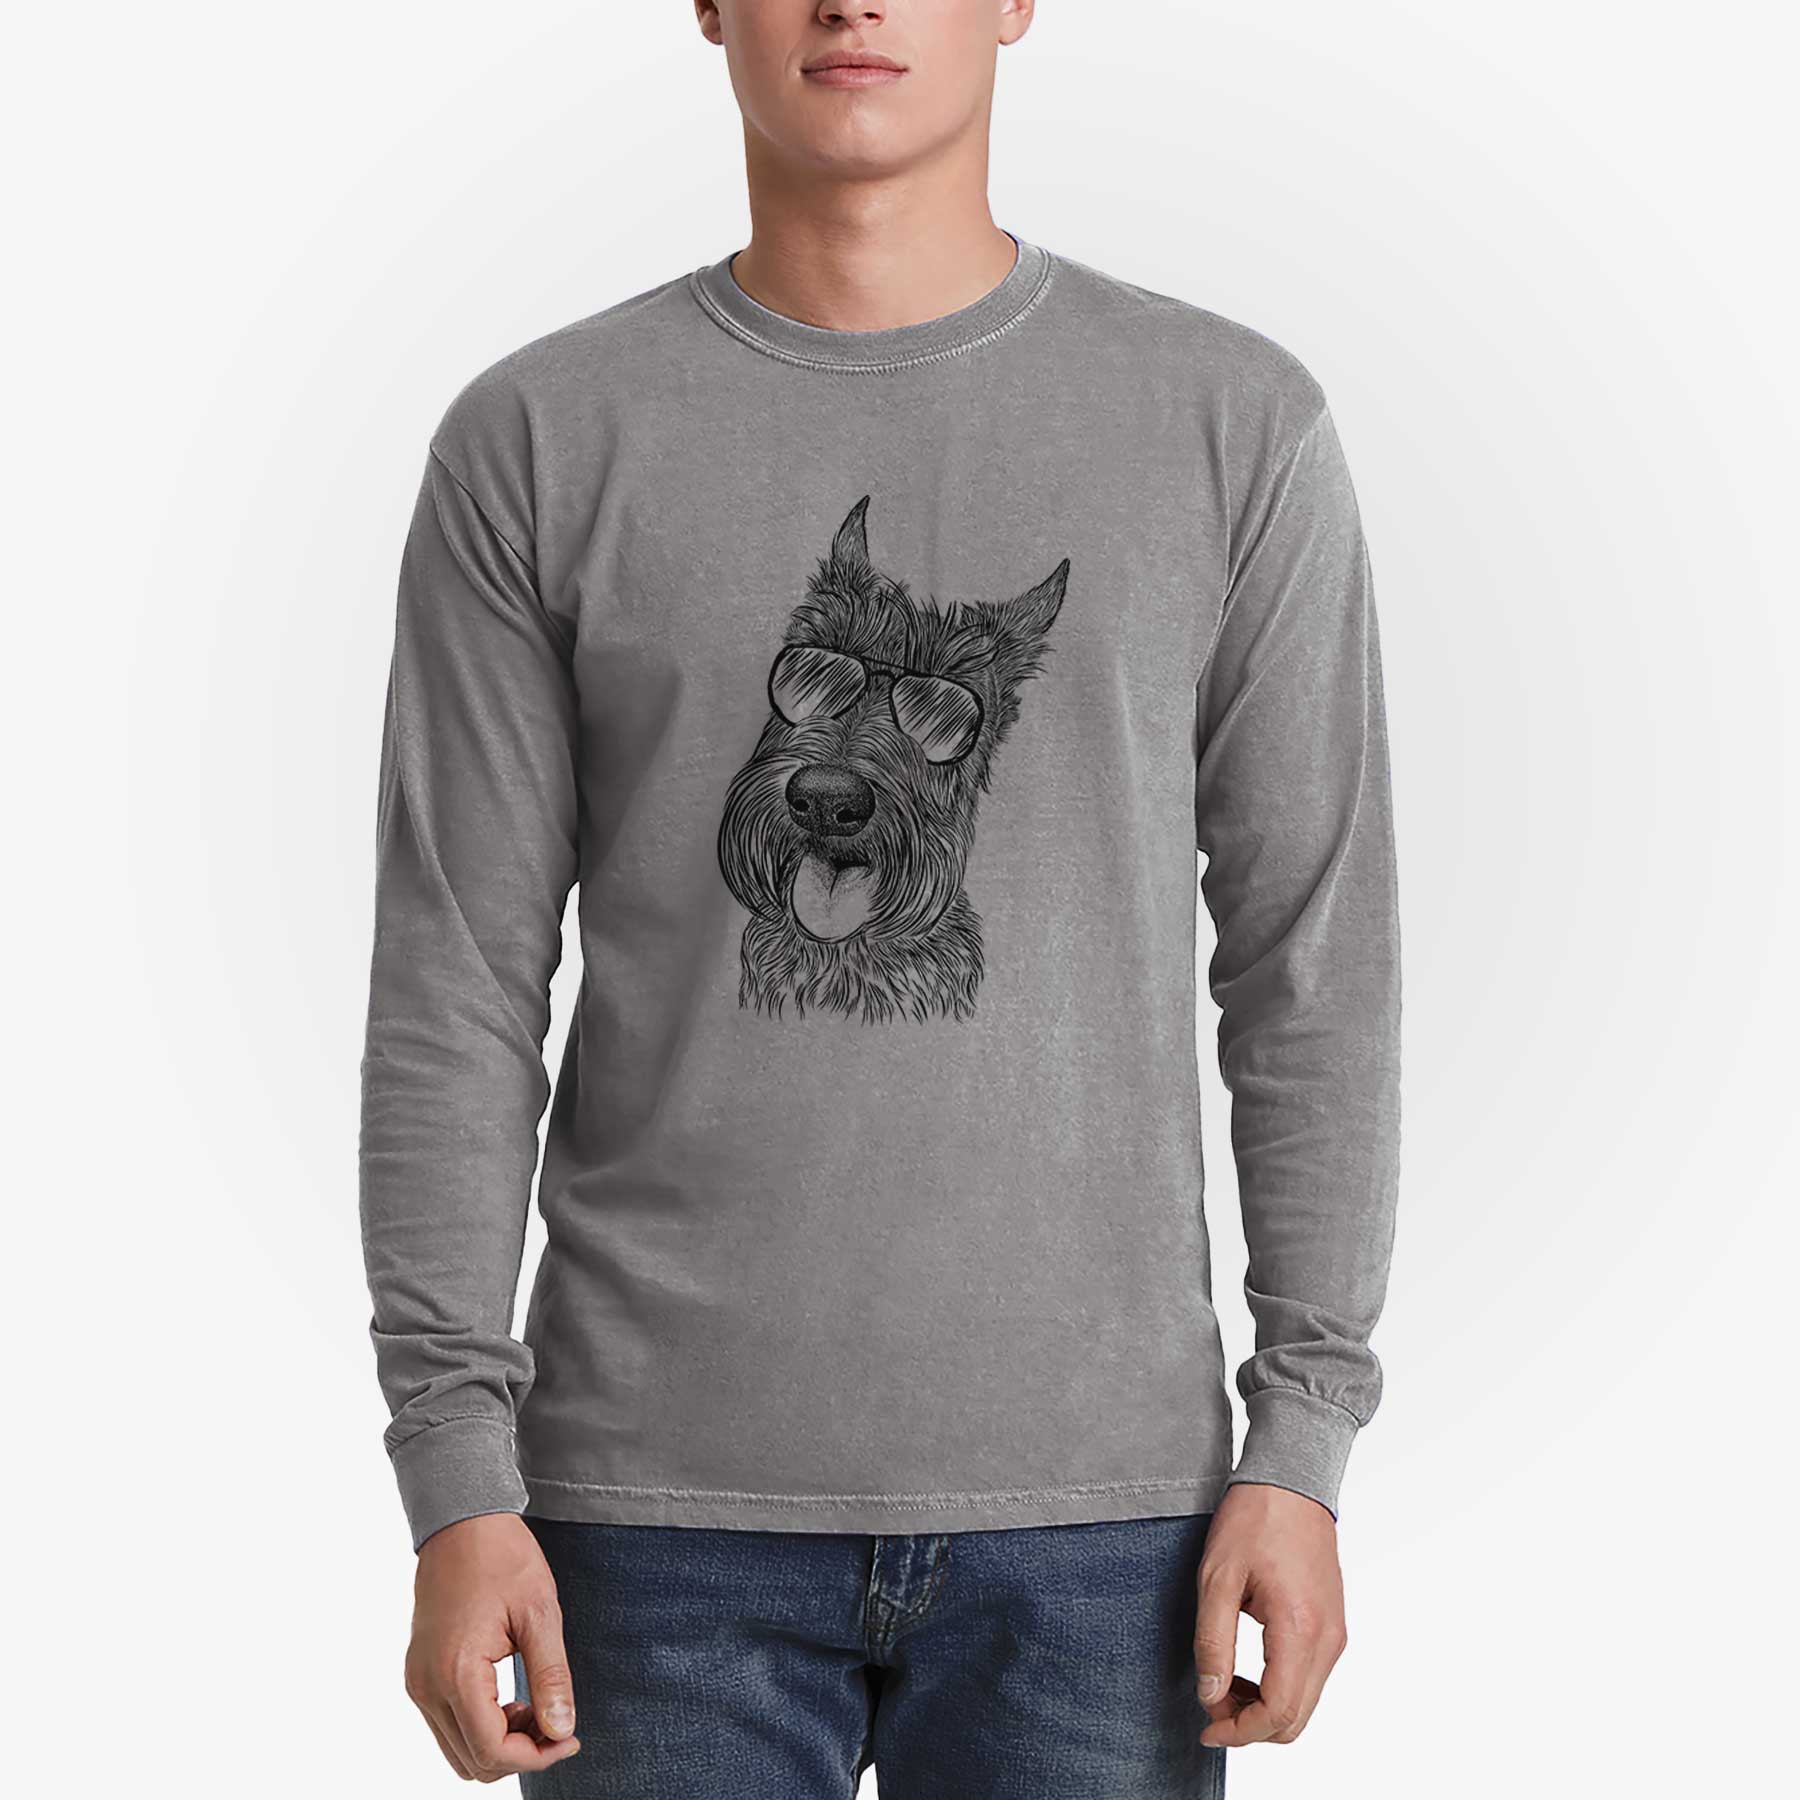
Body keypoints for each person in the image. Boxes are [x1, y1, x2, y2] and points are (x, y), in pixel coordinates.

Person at [357, 1, 1402, 1792]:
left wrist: (1300, 1447)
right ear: (706, 3)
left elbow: (1314, 965)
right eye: (820, 689)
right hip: (641, 1521)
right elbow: (458, 981)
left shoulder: (1236, 427)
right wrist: (456, 1482)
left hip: (1108, 1532)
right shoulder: (538, 439)